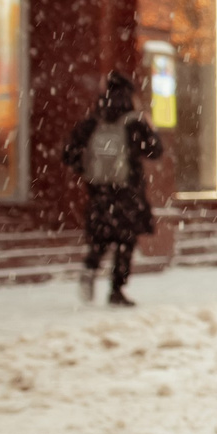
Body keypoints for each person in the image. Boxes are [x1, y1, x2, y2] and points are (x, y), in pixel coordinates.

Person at [62, 71, 161, 307]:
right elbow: (155, 151)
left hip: (100, 191)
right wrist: (151, 130)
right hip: (129, 191)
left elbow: (68, 154)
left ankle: (90, 266)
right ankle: (117, 289)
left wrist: (89, 171)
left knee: (102, 236)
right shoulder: (135, 121)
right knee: (125, 240)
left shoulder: (94, 120)